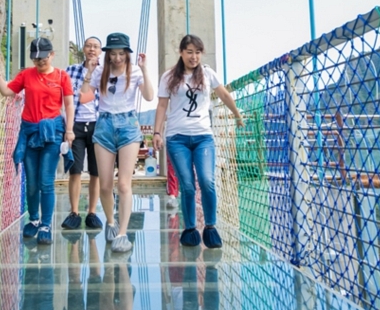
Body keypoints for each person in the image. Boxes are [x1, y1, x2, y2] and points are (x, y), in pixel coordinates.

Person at [153, 35, 244, 249]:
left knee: (206, 181)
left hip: (203, 136)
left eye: (198, 52)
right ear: (181, 52)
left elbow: (223, 94)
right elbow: (162, 106)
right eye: (190, 52)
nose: (194, 57)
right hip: (177, 138)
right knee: (187, 185)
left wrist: (237, 115)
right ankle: (190, 229)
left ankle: (211, 227)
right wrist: (157, 132)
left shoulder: (207, 74)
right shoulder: (169, 77)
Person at [0, 37, 74, 245]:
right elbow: (8, 91)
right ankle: (33, 220)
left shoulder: (62, 76)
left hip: (52, 133)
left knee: (46, 181)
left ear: (51, 55)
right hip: (30, 132)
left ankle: (45, 224)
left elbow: (69, 105)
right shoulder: (26, 75)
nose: (40, 62)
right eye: (36, 59)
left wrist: (69, 130)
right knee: (32, 182)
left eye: (43, 58)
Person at [80, 33, 154, 253]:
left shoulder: (135, 71)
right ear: (108, 54)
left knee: (123, 184)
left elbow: (149, 96)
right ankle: (111, 222)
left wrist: (145, 68)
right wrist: (90, 73)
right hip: (104, 125)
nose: (118, 58)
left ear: (127, 54)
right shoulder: (101, 72)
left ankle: (123, 233)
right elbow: (84, 98)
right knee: (105, 185)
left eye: (122, 53)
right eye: (113, 53)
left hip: (128, 125)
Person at [62, 36, 104, 231]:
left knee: (96, 172)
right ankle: (74, 212)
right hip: (76, 125)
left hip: (98, 125)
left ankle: (92, 212)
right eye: (88, 46)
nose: (92, 49)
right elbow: (68, 99)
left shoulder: (105, 72)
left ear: (101, 50)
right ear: (84, 49)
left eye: (96, 46)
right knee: (75, 170)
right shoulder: (70, 71)